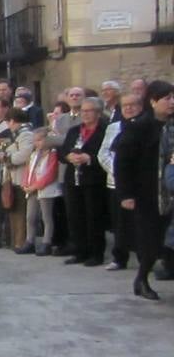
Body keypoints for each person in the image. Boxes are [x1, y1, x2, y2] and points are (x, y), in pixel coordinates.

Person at [113, 80, 174, 300]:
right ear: (153, 101)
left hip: (171, 190)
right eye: (167, 98)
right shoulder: (139, 127)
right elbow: (123, 163)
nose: (172, 103)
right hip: (147, 193)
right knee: (151, 240)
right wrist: (125, 194)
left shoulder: (172, 126)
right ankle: (142, 279)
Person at [59, 96, 108, 267]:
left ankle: (96, 254)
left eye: (89, 111)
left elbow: (109, 153)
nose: (85, 114)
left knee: (94, 217)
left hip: (94, 180)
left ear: (98, 113)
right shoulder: (74, 131)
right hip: (73, 179)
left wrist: (89, 158)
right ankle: (80, 251)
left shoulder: (105, 130)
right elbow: (62, 151)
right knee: (75, 216)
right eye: (83, 111)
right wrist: (68, 156)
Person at [98, 92, 143, 270]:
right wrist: (118, 172)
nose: (129, 108)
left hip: (140, 184)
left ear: (141, 107)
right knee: (119, 223)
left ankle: (143, 258)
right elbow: (103, 153)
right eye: (125, 106)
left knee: (140, 224)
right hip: (116, 182)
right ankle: (119, 257)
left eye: (133, 105)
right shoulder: (114, 127)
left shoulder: (146, 127)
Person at [19, 128, 61, 256]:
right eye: (35, 141)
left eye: (40, 140)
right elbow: (28, 169)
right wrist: (25, 183)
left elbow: (51, 173)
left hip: (45, 189)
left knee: (46, 217)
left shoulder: (52, 154)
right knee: (30, 216)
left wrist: (36, 186)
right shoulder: (34, 154)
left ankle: (46, 242)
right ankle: (29, 241)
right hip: (31, 189)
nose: (37, 143)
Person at [0, 109, 33, 250]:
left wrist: (7, 157)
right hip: (12, 177)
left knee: (20, 211)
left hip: (21, 177)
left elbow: (24, 155)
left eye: (8, 122)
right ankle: (15, 241)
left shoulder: (26, 134)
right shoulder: (16, 135)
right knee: (13, 209)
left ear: (13, 120)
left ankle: (21, 241)